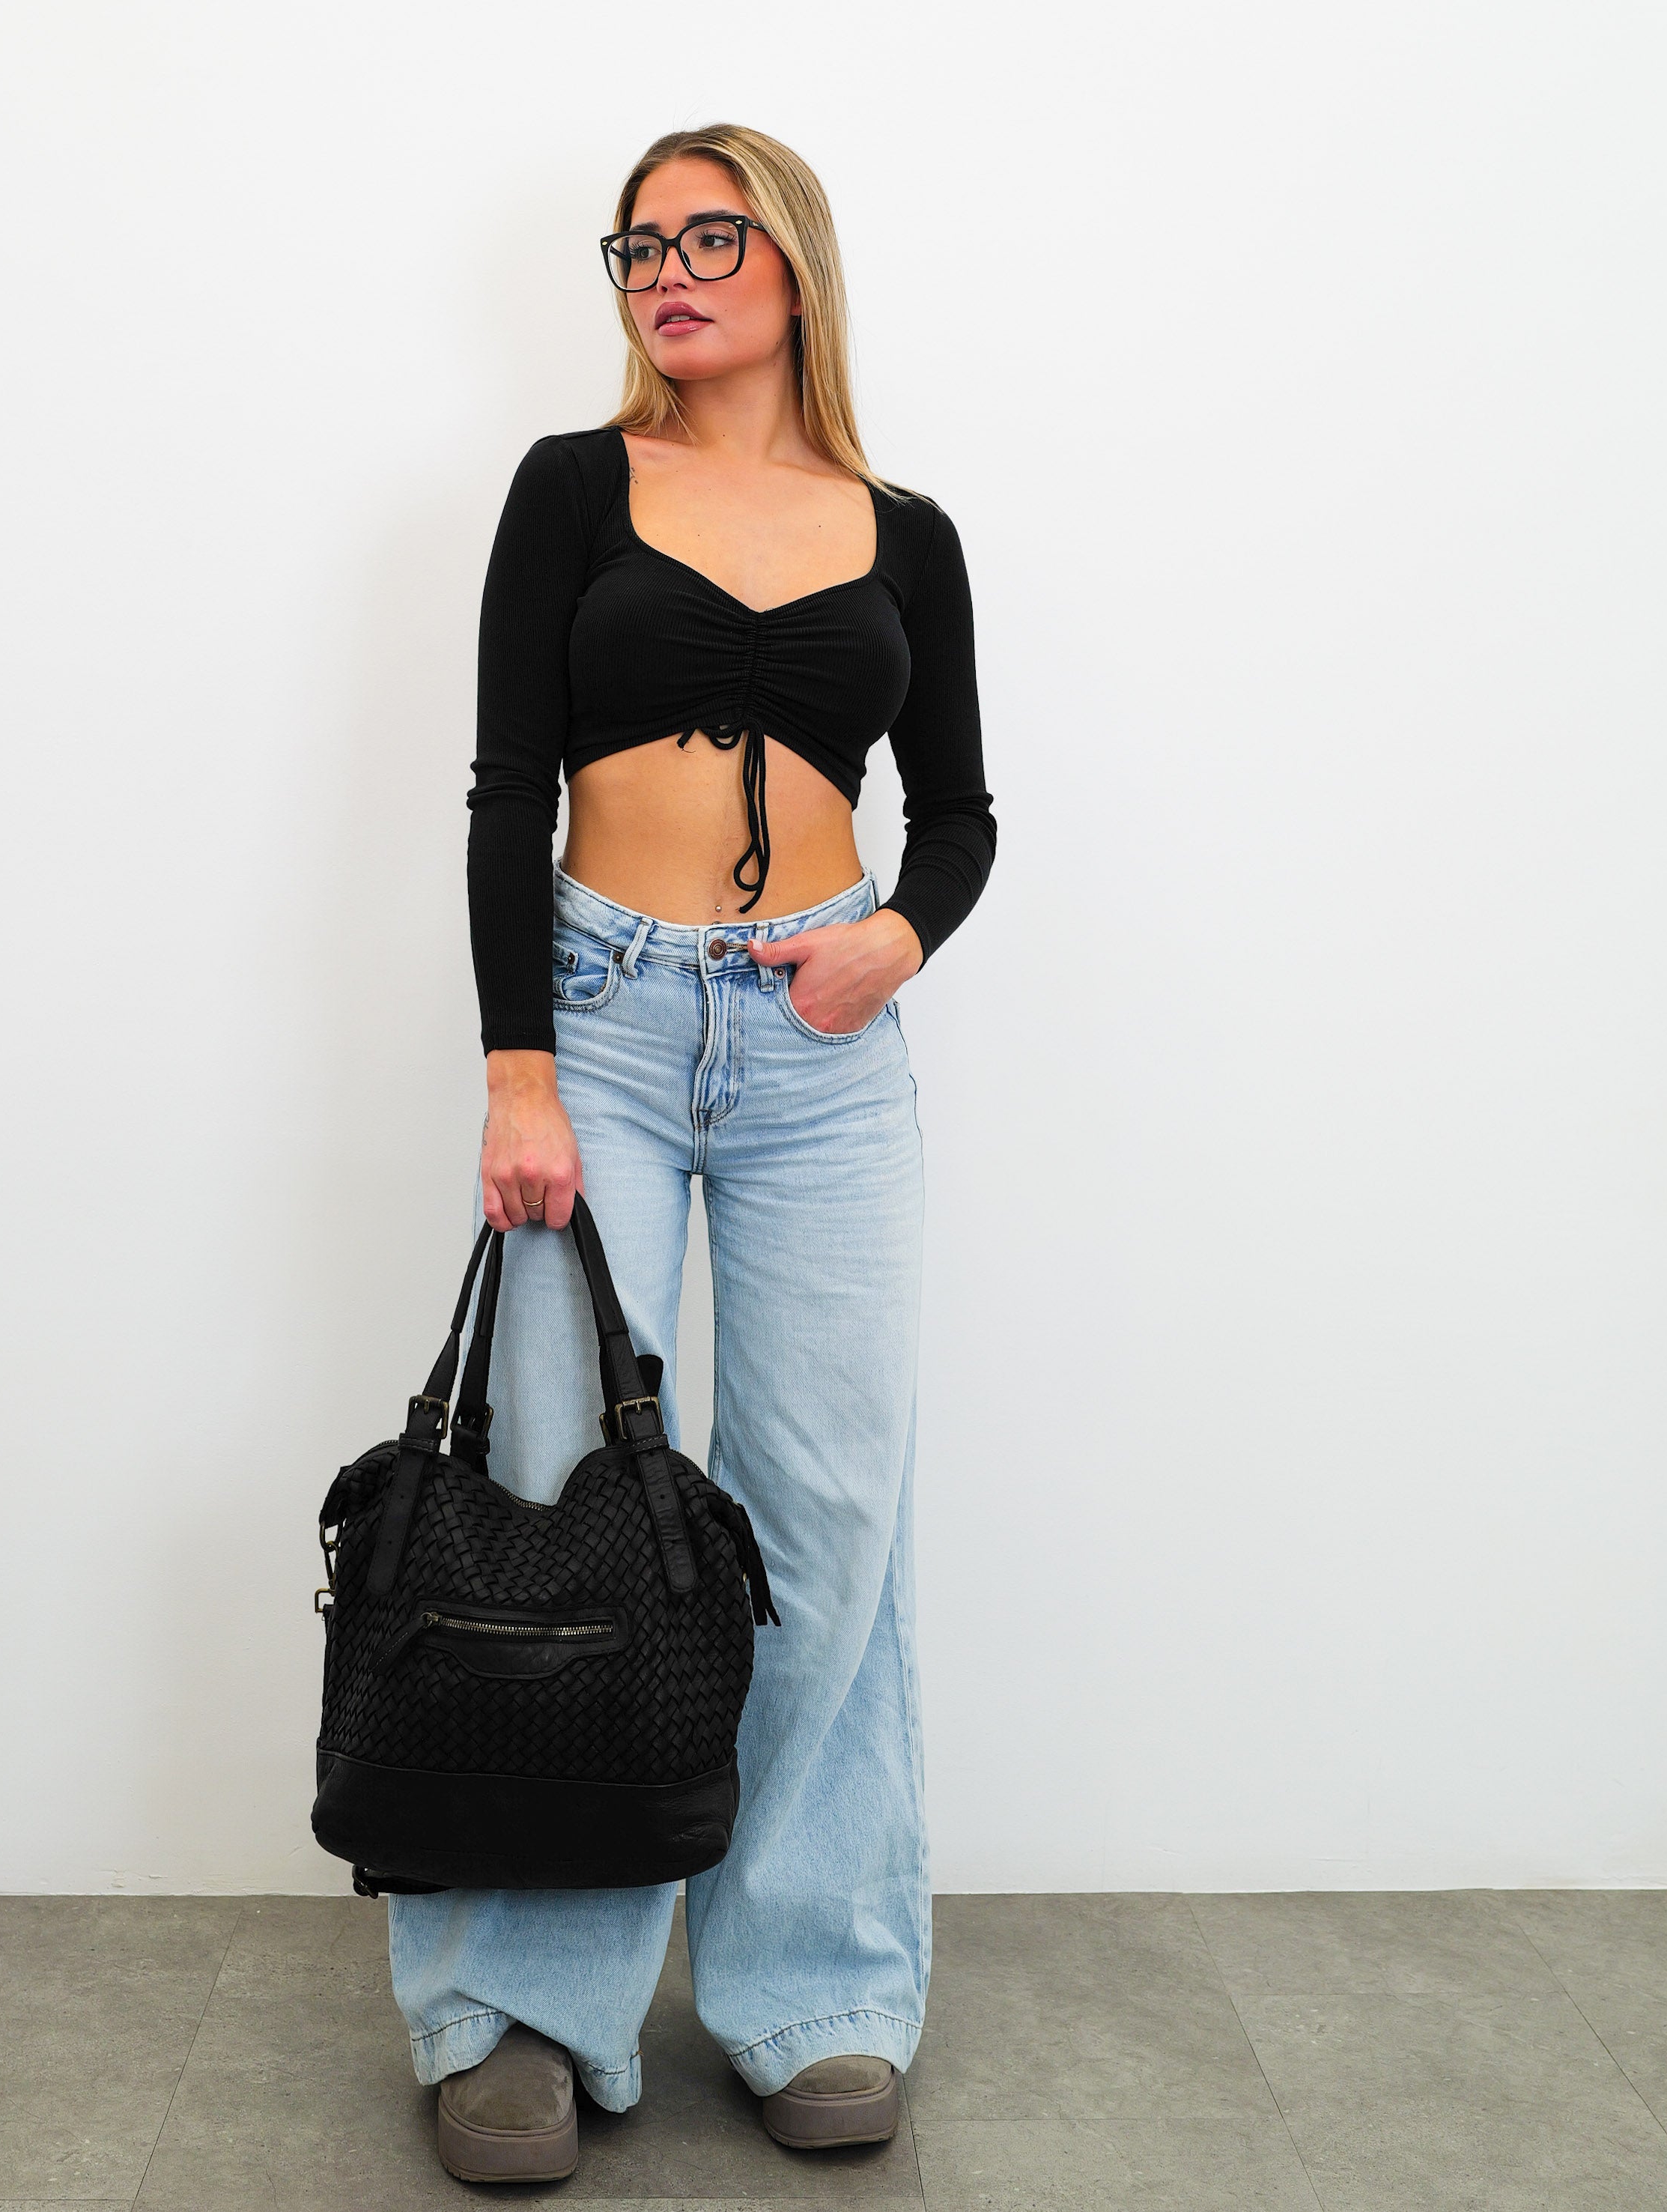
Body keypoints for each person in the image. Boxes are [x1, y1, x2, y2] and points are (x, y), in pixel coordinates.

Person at [392, 123, 995, 2184]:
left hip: (827, 1051)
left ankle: (812, 1986)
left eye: (708, 235)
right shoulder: (576, 486)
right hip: (607, 1024)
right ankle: (519, 2007)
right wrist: (520, 1069)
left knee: (829, 1517)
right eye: (638, 243)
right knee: (562, 1498)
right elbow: (506, 789)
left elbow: (959, 813)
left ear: (794, 262)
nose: (665, 268)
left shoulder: (905, 530)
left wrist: (897, 937)